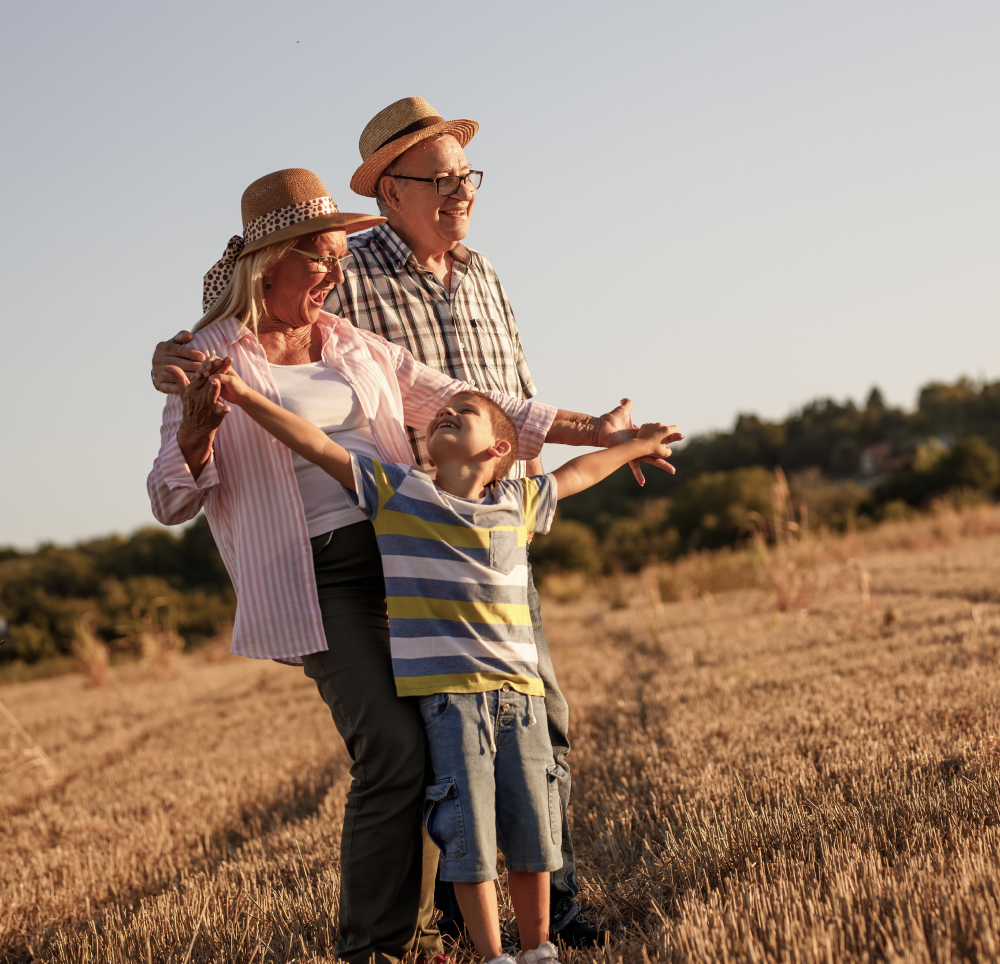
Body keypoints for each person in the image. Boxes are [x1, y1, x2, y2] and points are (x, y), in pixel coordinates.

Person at [151, 97, 671, 944]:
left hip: (414, 560)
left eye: (334, 257)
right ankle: (375, 949)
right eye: (319, 259)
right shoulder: (215, 357)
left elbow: (484, 403)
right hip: (318, 578)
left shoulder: (353, 344)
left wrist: (599, 432)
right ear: (269, 266)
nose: (334, 272)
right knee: (393, 749)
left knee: (446, 737)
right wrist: (202, 431)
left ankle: (456, 929)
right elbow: (171, 498)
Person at [179, 356, 680, 964]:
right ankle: (495, 954)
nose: (446, 413)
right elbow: (313, 443)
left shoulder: (518, 501)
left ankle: (539, 946)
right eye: (444, 411)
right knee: (466, 834)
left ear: (500, 448)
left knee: (531, 829)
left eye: (462, 413)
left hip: (520, 695)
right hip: (449, 702)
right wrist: (246, 397)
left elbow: (579, 472)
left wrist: (633, 447)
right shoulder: (398, 493)